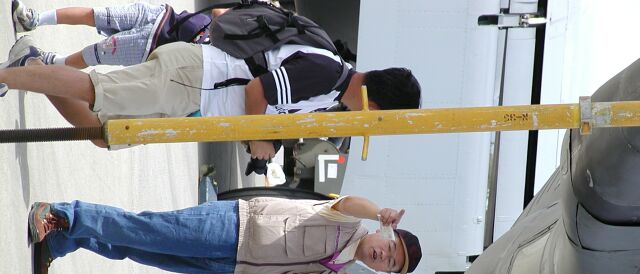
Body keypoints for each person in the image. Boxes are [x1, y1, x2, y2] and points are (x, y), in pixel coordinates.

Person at [0, 12, 421, 153]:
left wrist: (262, 138)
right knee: (96, 92)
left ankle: (30, 65)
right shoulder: (329, 74)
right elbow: (258, 91)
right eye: (378, 122)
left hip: (194, 101)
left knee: (101, 134)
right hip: (195, 77)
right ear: (376, 107)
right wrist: (258, 139)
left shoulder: (330, 92)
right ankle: (11, 73)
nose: (367, 126)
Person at [27, 195, 422, 274]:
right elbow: (350, 201)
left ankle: (64, 239)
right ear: (384, 232)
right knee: (145, 229)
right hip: (232, 226)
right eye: (390, 248)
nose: (383, 256)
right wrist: (378, 211)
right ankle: (63, 215)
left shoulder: (338, 272)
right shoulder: (350, 221)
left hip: (230, 262)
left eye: (391, 263)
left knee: (138, 248)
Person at [10, 0, 214, 68]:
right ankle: (33, 19)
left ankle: (45, 64)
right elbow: (218, 13)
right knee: (95, 15)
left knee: (91, 54)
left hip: (150, 46)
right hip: (163, 15)